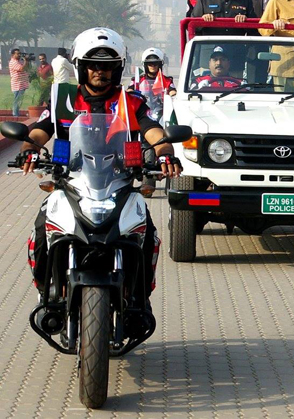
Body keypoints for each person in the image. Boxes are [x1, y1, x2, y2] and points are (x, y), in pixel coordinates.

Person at [20, 28, 181, 307]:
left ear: (117, 69)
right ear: (81, 67)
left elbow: (153, 130)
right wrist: (28, 150)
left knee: (147, 233)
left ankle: (139, 296)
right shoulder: (65, 100)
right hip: (72, 182)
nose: (100, 72)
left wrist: (165, 152)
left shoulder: (130, 103)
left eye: (107, 66)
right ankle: (46, 288)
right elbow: (39, 131)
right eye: (93, 65)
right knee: (41, 226)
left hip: (119, 182)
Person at [8, 48, 29, 117]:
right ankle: (15, 114)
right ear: (13, 54)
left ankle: (17, 113)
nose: (19, 55)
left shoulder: (19, 61)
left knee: (19, 100)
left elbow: (26, 67)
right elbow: (21, 68)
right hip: (17, 84)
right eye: (17, 54)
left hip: (22, 83)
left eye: (20, 53)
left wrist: (27, 61)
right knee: (17, 100)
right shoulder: (13, 62)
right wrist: (25, 60)